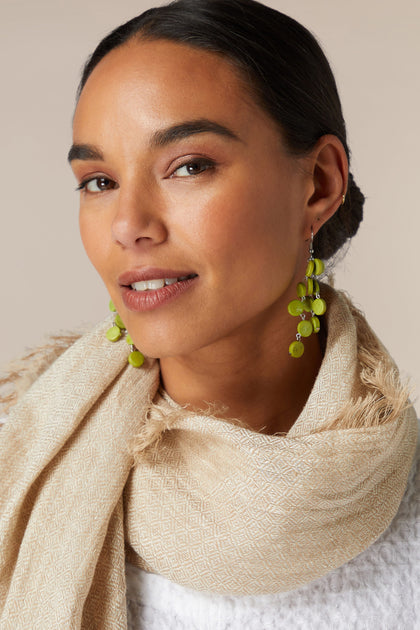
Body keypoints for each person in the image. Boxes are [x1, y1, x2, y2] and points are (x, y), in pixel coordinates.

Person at [0, 0, 418, 628]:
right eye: (98, 181)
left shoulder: (404, 506)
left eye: (188, 166)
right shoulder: (21, 467)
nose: (129, 226)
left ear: (319, 185)